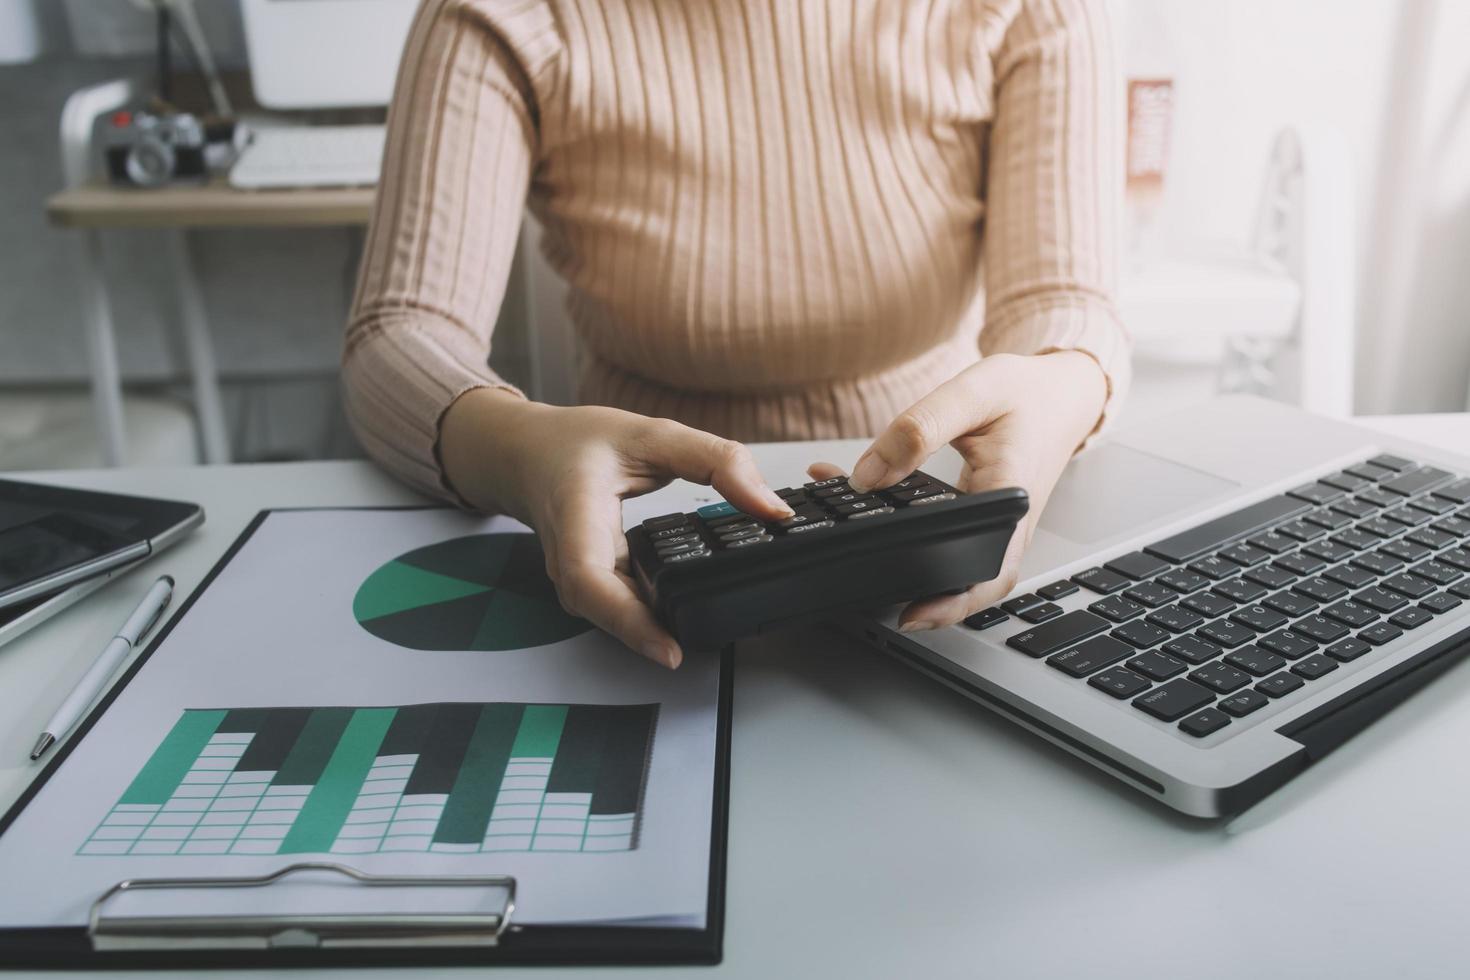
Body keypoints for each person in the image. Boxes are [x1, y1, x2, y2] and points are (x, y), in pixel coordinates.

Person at [343, 0, 1130, 668]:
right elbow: (398, 333)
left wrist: (1060, 379)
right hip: (635, 544)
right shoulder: (499, 15)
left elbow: (1068, 297)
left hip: (931, 529)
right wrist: (518, 446)